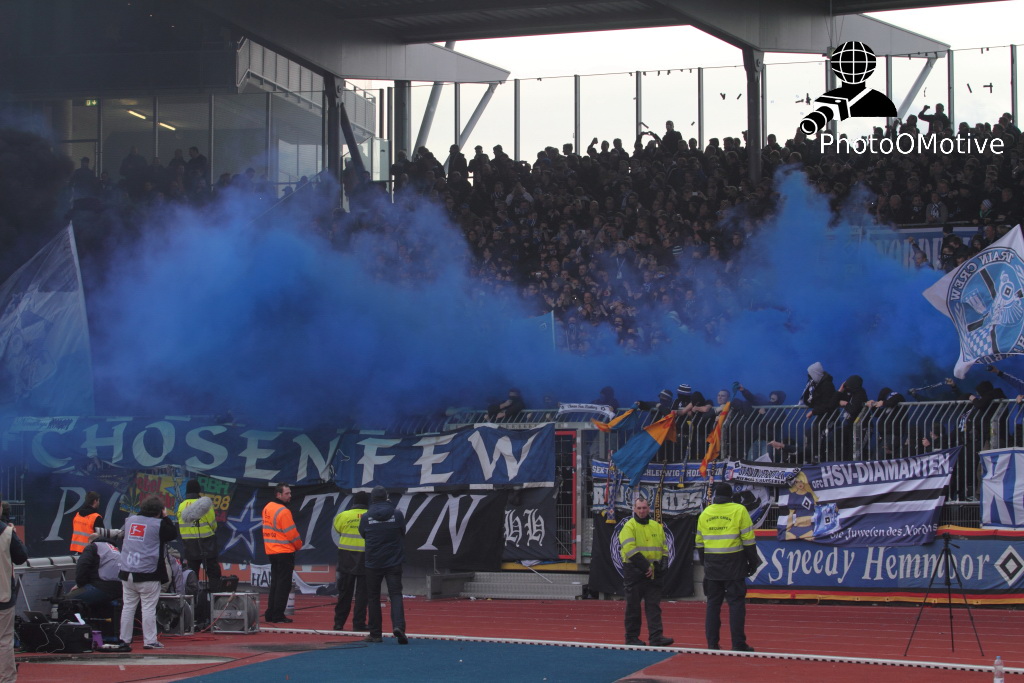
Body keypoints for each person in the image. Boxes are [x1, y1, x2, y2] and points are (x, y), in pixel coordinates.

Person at [696, 482, 758, 652]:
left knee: (713, 605)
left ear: (716, 496)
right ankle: (738, 644)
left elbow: (699, 543)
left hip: (712, 565)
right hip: (734, 564)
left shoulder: (705, 513)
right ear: (731, 496)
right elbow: (748, 540)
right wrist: (753, 562)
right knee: (736, 604)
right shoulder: (739, 510)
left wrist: (705, 563)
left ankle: (712, 643)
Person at [118, 496, 178, 650]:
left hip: (127, 571)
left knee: (128, 607)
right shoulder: (158, 524)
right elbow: (172, 534)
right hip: (148, 572)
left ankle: (124, 639)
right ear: (159, 512)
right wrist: (166, 517)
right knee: (148, 608)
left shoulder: (130, 520)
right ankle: (150, 641)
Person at [618, 496, 673, 647]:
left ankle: (656, 637)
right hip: (634, 571)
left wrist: (664, 563)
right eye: (639, 508)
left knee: (654, 607)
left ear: (648, 508)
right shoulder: (629, 527)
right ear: (634, 509)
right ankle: (631, 638)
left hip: (653, 572)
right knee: (633, 607)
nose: (642, 511)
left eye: (644, 508)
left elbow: (664, 548)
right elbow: (630, 549)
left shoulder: (656, 526)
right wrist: (645, 566)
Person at [359, 486, 408, 645]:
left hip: (373, 562)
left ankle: (375, 634)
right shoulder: (397, 514)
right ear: (386, 497)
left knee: (373, 597)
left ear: (372, 499)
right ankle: (398, 627)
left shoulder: (366, 517)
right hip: (393, 561)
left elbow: (363, 534)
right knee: (395, 594)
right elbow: (402, 531)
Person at [262, 484, 302, 624]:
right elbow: (291, 534)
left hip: (271, 551)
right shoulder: (283, 511)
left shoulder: (267, 507)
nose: (290, 496)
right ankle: (278, 615)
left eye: (290, 493)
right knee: (283, 585)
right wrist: (298, 545)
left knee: (275, 584)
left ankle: (270, 613)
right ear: (278, 494)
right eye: (287, 493)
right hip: (284, 551)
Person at [332, 491, 369, 632]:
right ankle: (358, 624)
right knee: (362, 594)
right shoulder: (370, 516)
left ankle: (339, 623)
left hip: (346, 558)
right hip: (365, 558)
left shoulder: (343, 515)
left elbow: (338, 529)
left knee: (344, 593)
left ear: (354, 502)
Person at [177, 479, 222, 591]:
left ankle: (194, 599)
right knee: (213, 573)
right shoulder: (205, 505)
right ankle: (214, 598)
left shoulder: (181, 506)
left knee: (192, 574)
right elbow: (213, 524)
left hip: (189, 545)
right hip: (207, 543)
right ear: (198, 490)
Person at [0, 494, 26, 681]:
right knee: (4, 640)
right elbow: (21, 557)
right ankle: (6, 679)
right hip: (3, 593)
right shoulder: (7, 532)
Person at [65, 537, 123, 610]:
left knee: (67, 600)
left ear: (90, 542)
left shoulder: (93, 547)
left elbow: (83, 565)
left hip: (102, 586)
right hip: (120, 588)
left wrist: (80, 584)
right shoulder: (115, 549)